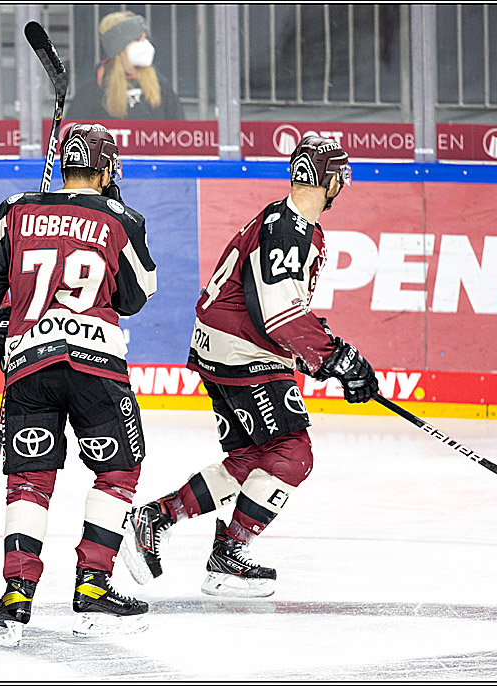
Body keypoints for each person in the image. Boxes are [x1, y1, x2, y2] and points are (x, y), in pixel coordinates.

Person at [120, 136, 379, 599]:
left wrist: (327, 361)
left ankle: (158, 520)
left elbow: (278, 310)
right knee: (292, 454)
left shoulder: (286, 222)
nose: (343, 184)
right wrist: (337, 358)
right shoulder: (288, 231)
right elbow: (279, 316)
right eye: (340, 175)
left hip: (224, 347)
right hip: (242, 353)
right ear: (326, 180)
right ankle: (227, 554)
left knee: (250, 459)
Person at [0, 123, 158, 647]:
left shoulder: (17, 208)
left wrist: (10, 308)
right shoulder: (121, 218)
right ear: (106, 169)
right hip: (96, 367)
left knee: (29, 481)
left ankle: (15, 596)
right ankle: (93, 587)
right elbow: (136, 296)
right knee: (118, 471)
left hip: (30, 366)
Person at [67, 11, 184, 121]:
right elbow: (69, 132)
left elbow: (179, 128)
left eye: (145, 38)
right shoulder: (92, 92)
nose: (145, 44)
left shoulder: (160, 86)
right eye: (137, 39)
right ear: (118, 48)